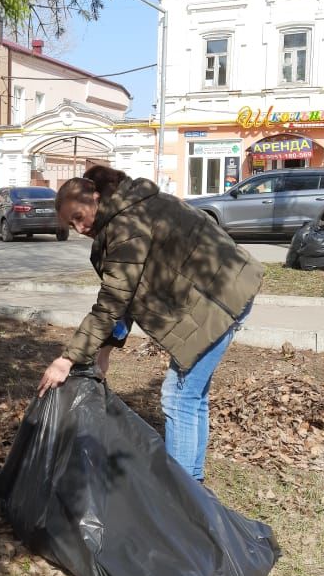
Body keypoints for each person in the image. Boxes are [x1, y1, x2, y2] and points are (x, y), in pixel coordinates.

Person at [38, 165, 263, 482]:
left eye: (78, 216)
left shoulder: (126, 226)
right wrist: (105, 351)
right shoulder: (129, 208)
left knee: (179, 396)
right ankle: (193, 485)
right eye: (70, 223)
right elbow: (128, 297)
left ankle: (182, 496)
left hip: (218, 299)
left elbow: (114, 300)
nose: (78, 228)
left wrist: (67, 359)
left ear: (95, 197)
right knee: (192, 396)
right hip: (226, 288)